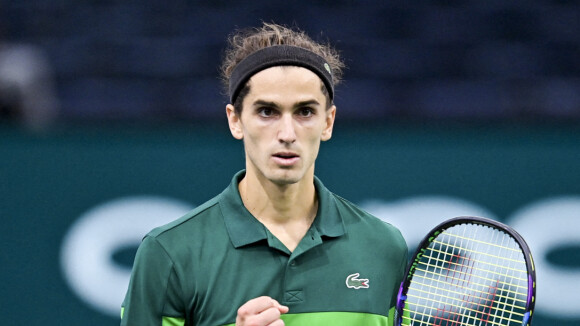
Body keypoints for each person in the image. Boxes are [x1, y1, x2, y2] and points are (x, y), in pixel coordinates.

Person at [120, 22, 408, 326]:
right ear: (235, 121)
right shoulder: (168, 253)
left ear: (328, 122)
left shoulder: (384, 247)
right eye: (267, 112)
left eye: (305, 112)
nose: (287, 133)